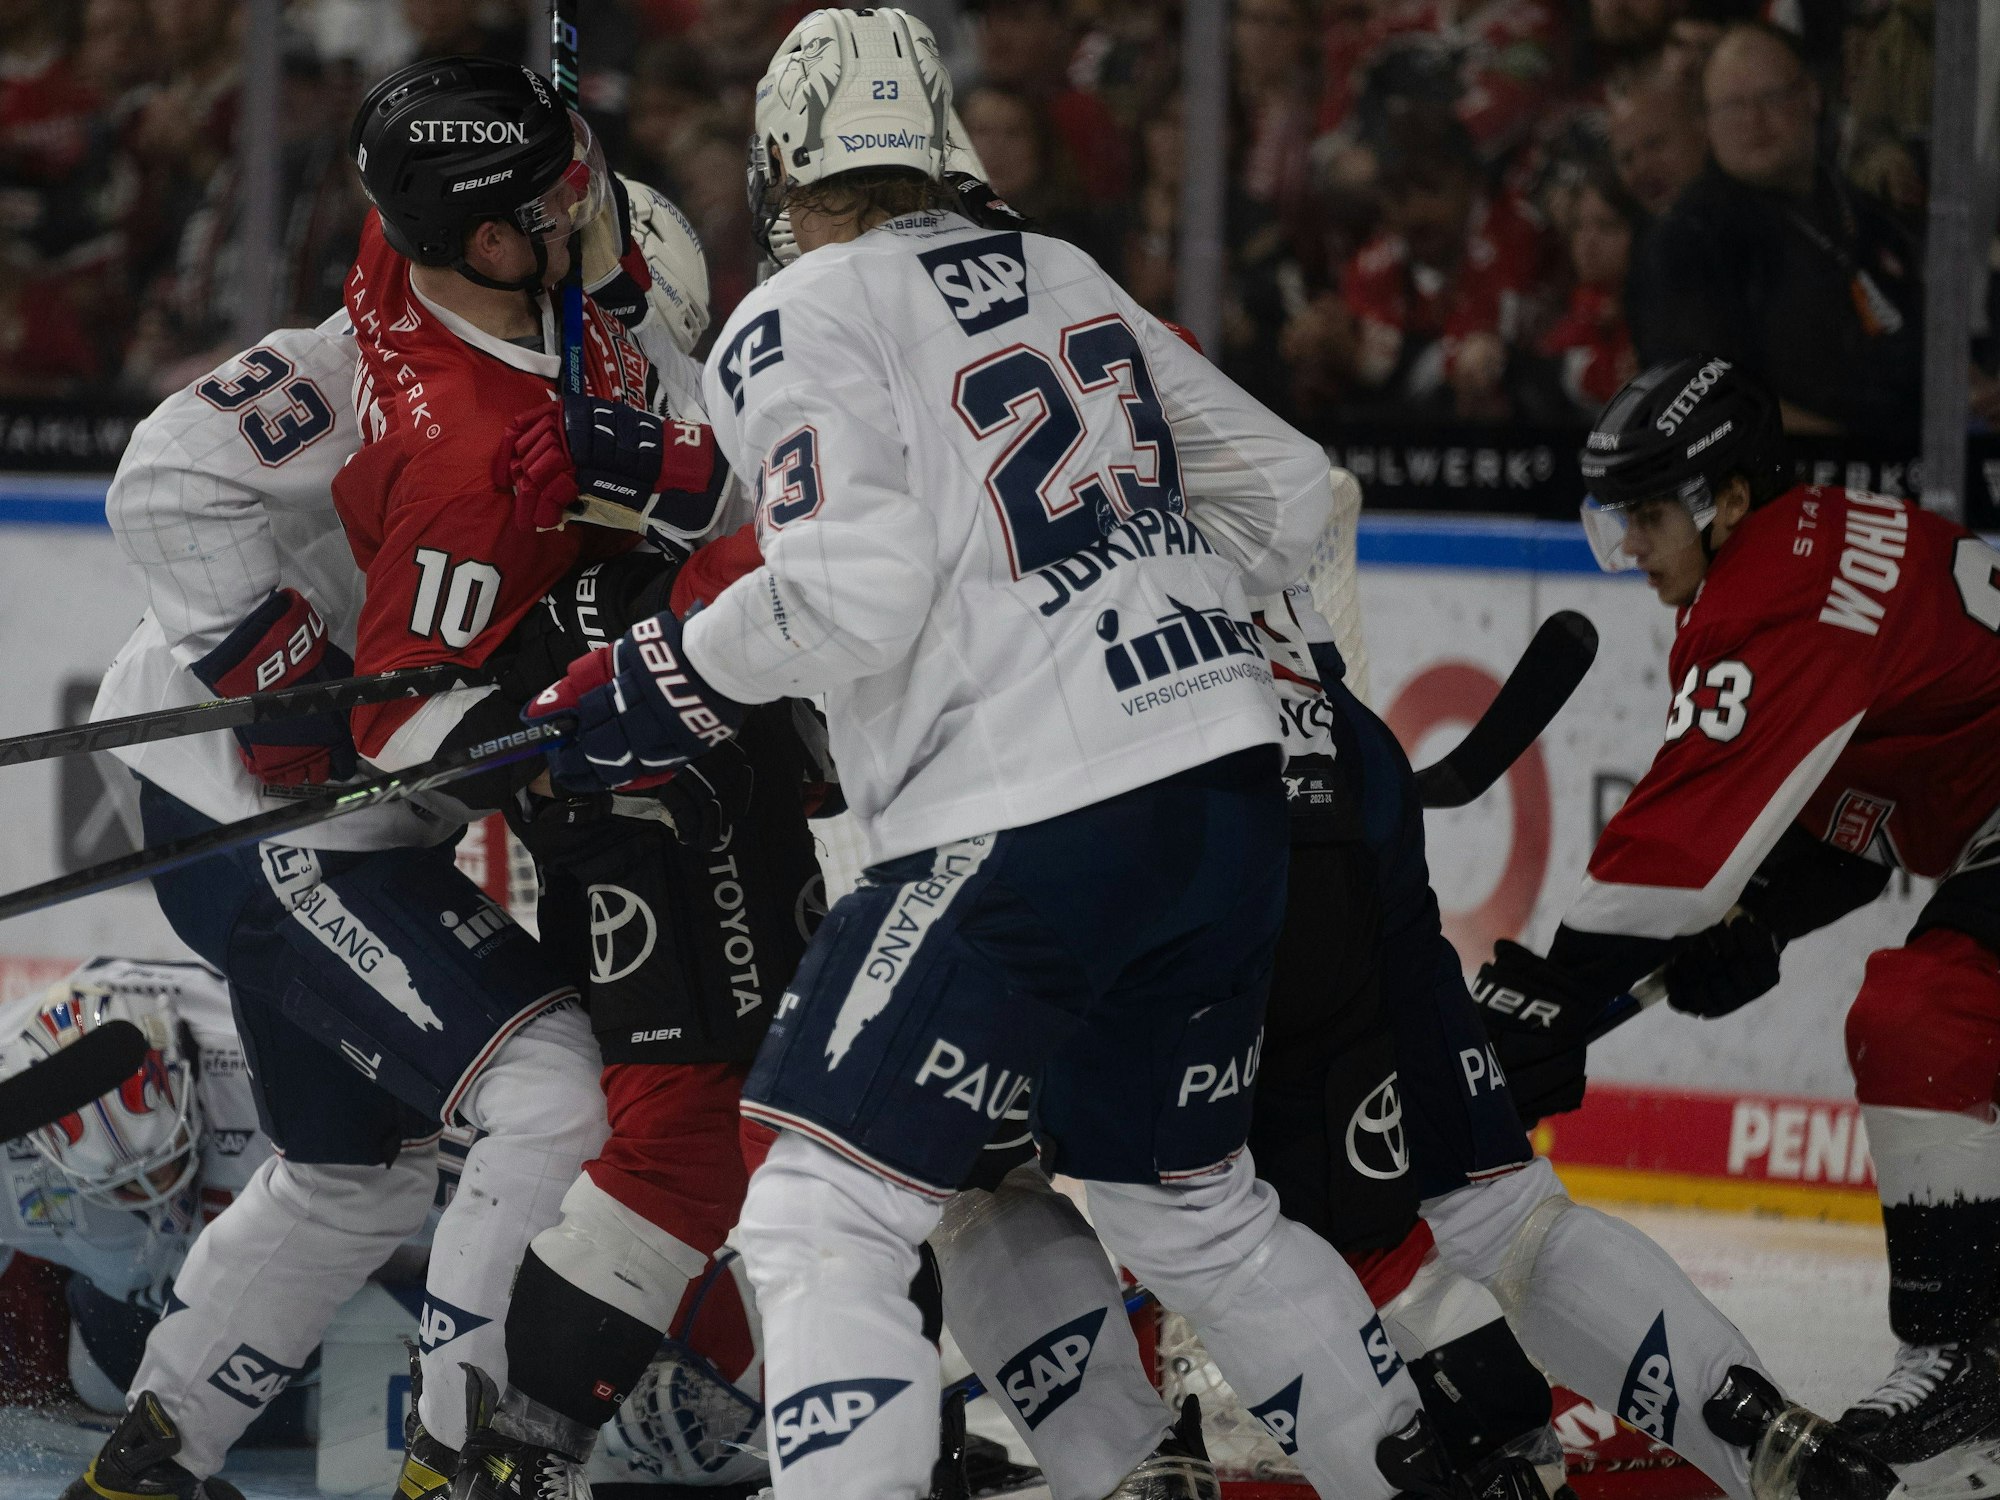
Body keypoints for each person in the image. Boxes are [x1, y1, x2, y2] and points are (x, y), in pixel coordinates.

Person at [514, 9, 1466, 1499]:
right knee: (1188, 1209)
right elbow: (1289, 494)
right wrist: (1129, 617)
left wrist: (661, 674)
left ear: (784, 166)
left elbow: (849, 591)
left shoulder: (793, 313)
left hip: (1028, 816)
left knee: (820, 1207)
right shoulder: (1061, 270)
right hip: (1223, 793)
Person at [332, 57, 818, 1500]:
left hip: (675, 711)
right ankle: (513, 1447)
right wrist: (564, 716)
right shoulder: (470, 457)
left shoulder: (433, 246)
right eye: (556, 207)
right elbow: (395, 731)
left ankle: (544, 1437)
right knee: (707, 1129)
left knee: (772, 1115)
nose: (583, 213)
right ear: (487, 242)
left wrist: (559, 189)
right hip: (646, 787)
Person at [62, 301, 609, 1500]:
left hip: (336, 823)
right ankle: (463, 1469)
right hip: (263, 810)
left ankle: (148, 1469)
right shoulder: (395, 348)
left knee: (352, 1176)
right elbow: (166, 476)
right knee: (550, 1095)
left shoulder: (608, 418)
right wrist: (285, 680)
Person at [1472, 355, 2000, 1486]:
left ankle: (1965, 1361)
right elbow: (1853, 834)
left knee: (1924, 1014)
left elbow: (1670, 864)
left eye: (1648, 517)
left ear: (1727, 500)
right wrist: (1760, 923)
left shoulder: (1768, 592)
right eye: (1615, 520)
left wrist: (1542, 1002)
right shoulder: (1820, 543)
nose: (1631, 548)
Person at [1624, 23, 1921, 436]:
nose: (1754, 120)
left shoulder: (1868, 218)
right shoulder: (1684, 242)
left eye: (1772, 97)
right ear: (1707, 123)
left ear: (1812, 96)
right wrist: (1845, 450)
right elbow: (1693, 401)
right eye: (1733, 106)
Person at [0, 961, 270, 1413]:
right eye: (125, 1185)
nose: (157, 1193)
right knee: (101, 1381)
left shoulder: (260, 1066)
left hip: (272, 1289)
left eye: (169, 1161)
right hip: (119, 1309)